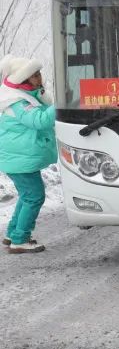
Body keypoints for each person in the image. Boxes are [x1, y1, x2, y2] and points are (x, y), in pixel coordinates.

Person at [0, 57, 58, 254]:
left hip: (18, 159)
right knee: (34, 196)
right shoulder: (18, 102)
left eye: (39, 73)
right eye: (34, 75)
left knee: (27, 196)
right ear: (23, 79)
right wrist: (61, 102)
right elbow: (40, 120)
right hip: (19, 160)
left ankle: (12, 233)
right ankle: (20, 239)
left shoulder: (25, 97)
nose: (39, 78)